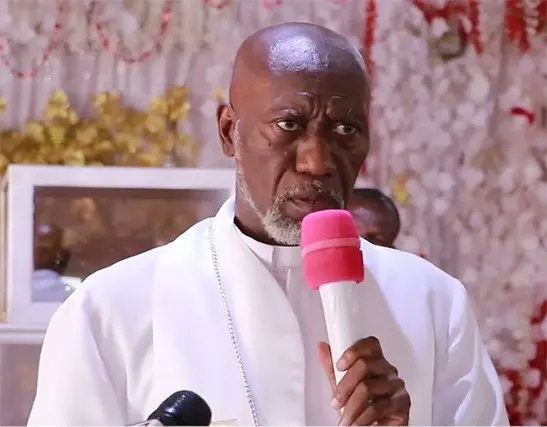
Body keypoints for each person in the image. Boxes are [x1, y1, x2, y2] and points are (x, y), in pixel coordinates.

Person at [28, 23, 509, 426]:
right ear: (228, 132)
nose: (318, 161)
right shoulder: (109, 310)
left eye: (345, 129)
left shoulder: (434, 303)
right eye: (288, 125)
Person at [31, 223, 73, 303]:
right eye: (40, 250)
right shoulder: (72, 294)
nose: (43, 255)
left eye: (46, 251)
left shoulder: (11, 290)